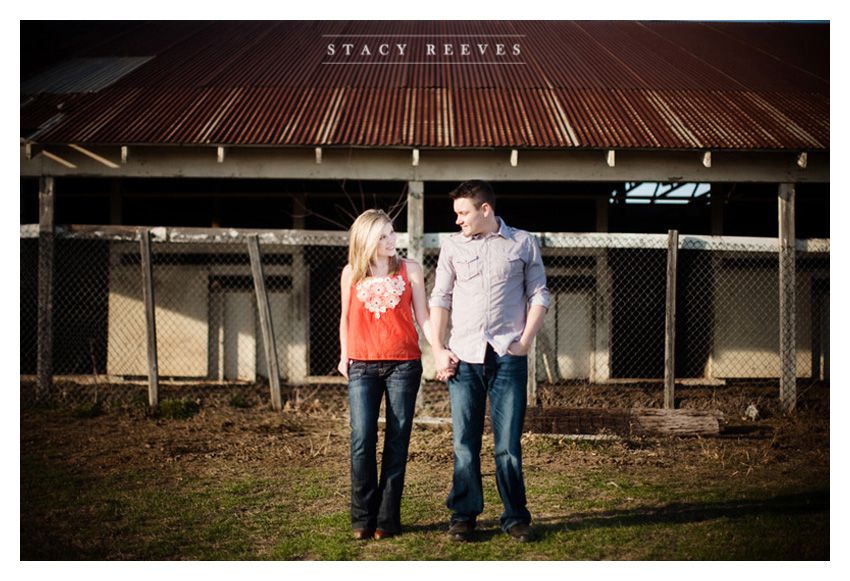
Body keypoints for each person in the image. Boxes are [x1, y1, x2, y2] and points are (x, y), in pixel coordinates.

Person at [428, 180, 549, 543]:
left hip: (507, 358)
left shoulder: (523, 242)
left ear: (485, 210)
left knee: (508, 446)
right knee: (464, 444)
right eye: (456, 214)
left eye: (463, 213)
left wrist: (525, 341)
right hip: (464, 358)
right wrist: (436, 348)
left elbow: (539, 293)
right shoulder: (451, 246)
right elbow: (441, 297)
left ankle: (514, 517)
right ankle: (463, 516)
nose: (458, 220)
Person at [338, 209, 432, 541]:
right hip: (362, 365)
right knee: (362, 438)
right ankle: (362, 517)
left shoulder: (412, 270)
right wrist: (343, 354)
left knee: (397, 439)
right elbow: (345, 319)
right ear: (366, 240)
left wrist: (440, 347)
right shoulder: (351, 273)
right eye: (382, 236)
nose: (391, 240)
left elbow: (423, 316)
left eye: (392, 233)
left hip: (404, 365)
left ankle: (387, 519)